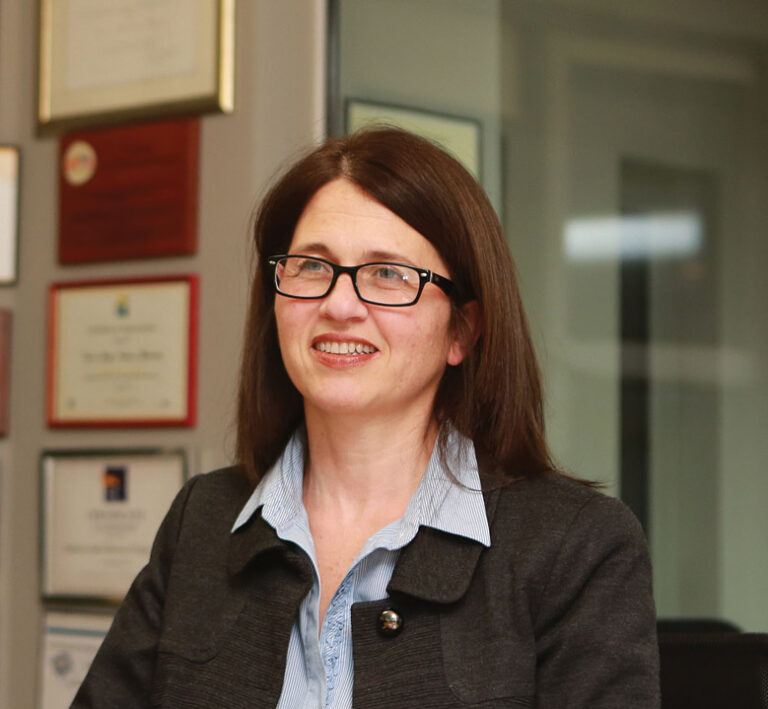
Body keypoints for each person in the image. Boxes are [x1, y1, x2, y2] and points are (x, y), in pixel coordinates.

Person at [73, 128, 660, 708]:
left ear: (462, 331)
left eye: (389, 274)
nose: (339, 304)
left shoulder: (575, 546)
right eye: (311, 266)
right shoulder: (203, 520)